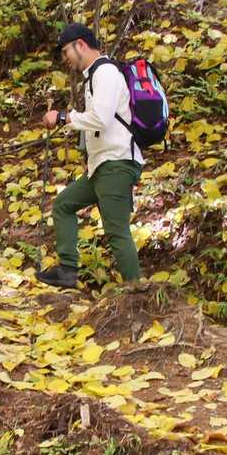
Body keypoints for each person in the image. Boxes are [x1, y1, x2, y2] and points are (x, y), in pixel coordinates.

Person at [36, 23, 143, 290]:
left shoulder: (105, 72)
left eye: (66, 51)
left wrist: (63, 117)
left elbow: (101, 119)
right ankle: (67, 271)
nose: (65, 59)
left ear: (81, 45)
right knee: (64, 204)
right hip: (101, 167)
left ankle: (136, 291)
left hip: (116, 163)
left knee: (117, 231)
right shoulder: (94, 75)